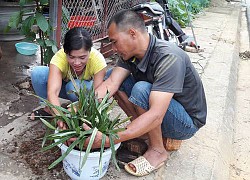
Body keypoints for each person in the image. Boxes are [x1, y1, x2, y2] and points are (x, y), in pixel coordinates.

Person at [83, 9, 207, 177]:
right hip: (163, 111)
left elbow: (156, 115)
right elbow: (111, 84)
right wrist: (81, 110)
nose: (113, 48)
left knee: (141, 89)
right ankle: (141, 131)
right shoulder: (129, 56)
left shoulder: (168, 57)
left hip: (185, 122)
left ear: (132, 33)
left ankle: (157, 150)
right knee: (113, 76)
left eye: (114, 42)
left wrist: (107, 139)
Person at [29, 27, 107, 120]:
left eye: (82, 57)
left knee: (73, 87)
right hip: (63, 87)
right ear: (65, 52)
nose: (77, 63)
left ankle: (81, 111)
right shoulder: (59, 57)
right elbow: (52, 92)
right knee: (38, 73)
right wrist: (60, 118)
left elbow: (97, 95)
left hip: (83, 91)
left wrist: (78, 107)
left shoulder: (98, 60)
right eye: (71, 57)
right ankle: (49, 109)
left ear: (89, 51)